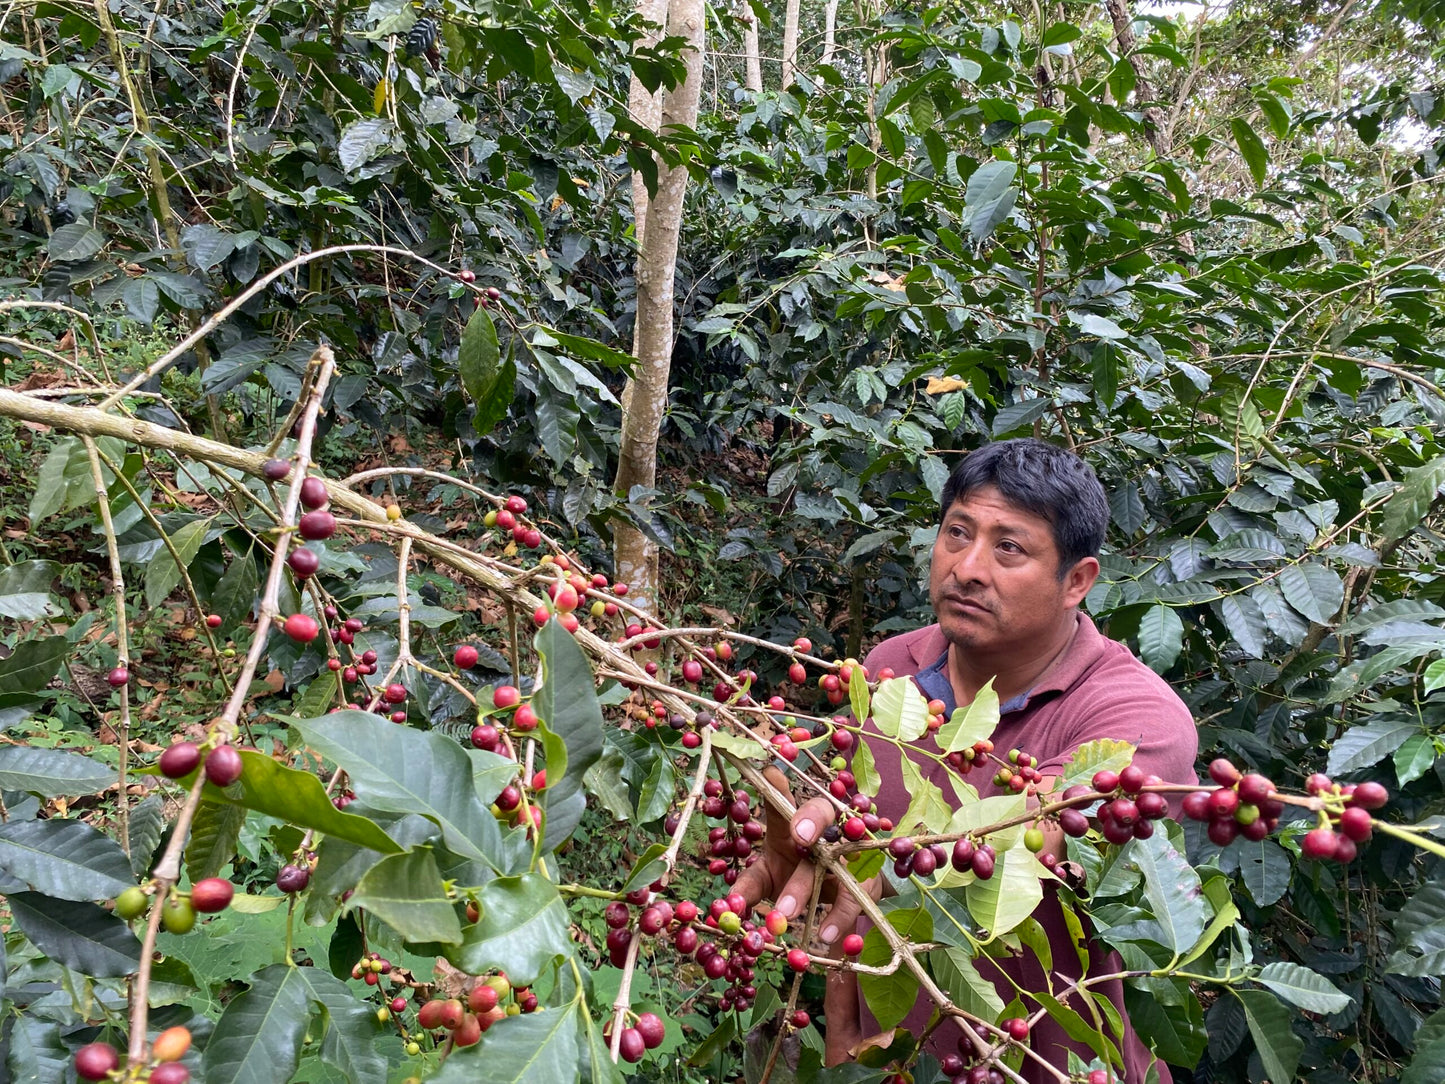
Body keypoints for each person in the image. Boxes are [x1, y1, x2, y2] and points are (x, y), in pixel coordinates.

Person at [737, 438, 1199, 1082]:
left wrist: (881, 872)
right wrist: (806, 829)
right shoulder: (890, 668)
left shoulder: (1135, 721)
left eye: (1009, 547)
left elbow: (1026, 839)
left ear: (1077, 581)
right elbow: (844, 804)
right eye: (957, 533)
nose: (968, 567)